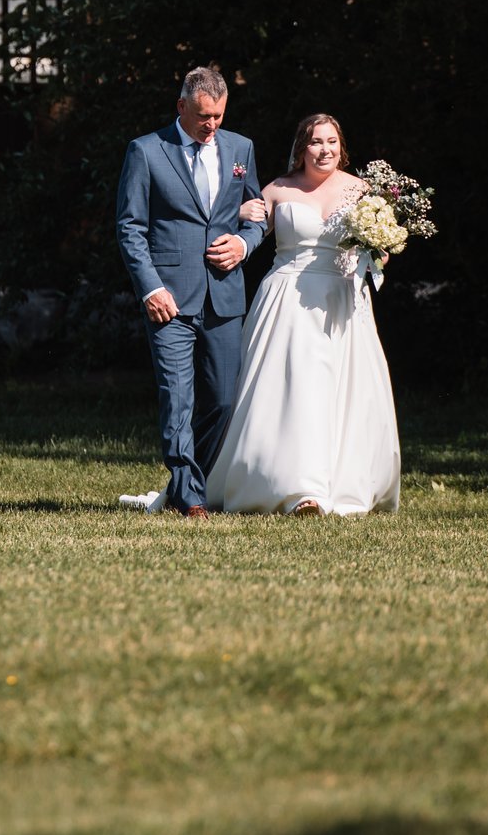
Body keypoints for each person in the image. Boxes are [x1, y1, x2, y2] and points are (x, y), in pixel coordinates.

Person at [207, 114, 401, 516]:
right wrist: (241, 217)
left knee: (342, 391)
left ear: (340, 146)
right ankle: (296, 487)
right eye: (316, 142)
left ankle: (343, 484)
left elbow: (379, 249)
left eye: (331, 141)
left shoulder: (362, 190)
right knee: (295, 392)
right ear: (302, 147)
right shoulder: (277, 189)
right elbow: (245, 227)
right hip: (287, 302)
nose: (324, 149)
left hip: (342, 301)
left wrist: (381, 244)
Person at [114, 66, 272, 517]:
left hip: (224, 297)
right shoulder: (146, 151)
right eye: (204, 116)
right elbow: (130, 228)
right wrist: (150, 289)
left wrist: (244, 243)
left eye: (219, 116)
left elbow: (256, 214)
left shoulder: (241, 148)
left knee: (222, 400)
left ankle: (186, 482)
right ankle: (190, 497)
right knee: (177, 399)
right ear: (181, 107)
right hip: (169, 299)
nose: (212, 126)